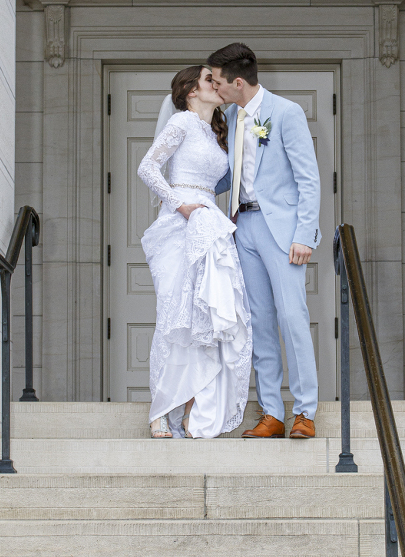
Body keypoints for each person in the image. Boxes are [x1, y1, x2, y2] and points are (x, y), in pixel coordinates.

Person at [208, 43, 321, 439]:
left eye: (219, 83)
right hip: (244, 227)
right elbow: (230, 173)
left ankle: (305, 411)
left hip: (283, 231)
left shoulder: (286, 113)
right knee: (258, 322)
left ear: (238, 82)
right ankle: (271, 412)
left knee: (292, 316)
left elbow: (309, 178)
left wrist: (305, 234)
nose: (215, 89)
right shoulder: (236, 117)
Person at [137, 65, 252, 439]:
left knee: (204, 314)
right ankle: (159, 412)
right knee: (174, 313)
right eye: (208, 80)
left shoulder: (215, 132)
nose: (215, 84)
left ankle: (189, 412)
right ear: (190, 91)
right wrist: (178, 204)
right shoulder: (183, 123)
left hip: (209, 223)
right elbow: (148, 167)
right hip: (180, 221)